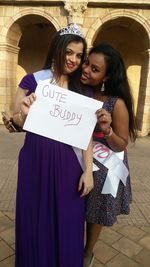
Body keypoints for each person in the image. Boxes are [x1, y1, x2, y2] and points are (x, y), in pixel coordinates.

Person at [11, 23, 94, 267]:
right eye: (69, 52)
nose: (73, 60)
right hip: (35, 160)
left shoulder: (83, 90)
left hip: (70, 165)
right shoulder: (33, 81)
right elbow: (15, 120)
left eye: (79, 55)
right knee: (34, 219)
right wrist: (24, 113)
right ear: (57, 49)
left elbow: (86, 134)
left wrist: (88, 170)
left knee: (68, 220)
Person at [80, 43, 137, 267]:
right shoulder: (77, 90)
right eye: (87, 63)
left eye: (95, 69)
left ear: (106, 76)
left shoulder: (117, 103)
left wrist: (107, 130)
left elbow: (121, 144)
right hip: (78, 157)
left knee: (95, 213)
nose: (86, 69)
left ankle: (87, 252)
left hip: (105, 165)